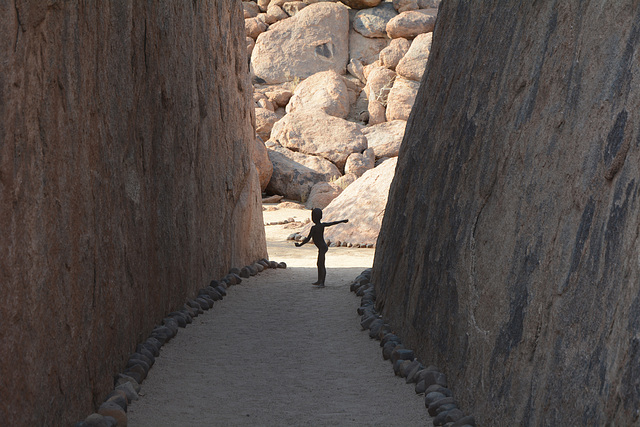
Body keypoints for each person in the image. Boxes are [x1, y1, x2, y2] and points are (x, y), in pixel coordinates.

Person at [295, 208, 348, 287]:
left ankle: (322, 282)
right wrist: (342, 221)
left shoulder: (314, 228)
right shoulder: (322, 225)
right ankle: (319, 281)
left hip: (322, 247)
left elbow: (308, 239)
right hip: (323, 247)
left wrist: (300, 245)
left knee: (321, 264)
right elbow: (333, 223)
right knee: (319, 264)